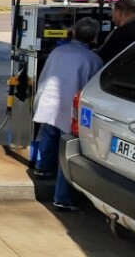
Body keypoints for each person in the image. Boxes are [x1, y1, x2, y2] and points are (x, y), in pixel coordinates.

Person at [32, 17, 103, 211]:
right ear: (95, 37)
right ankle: (62, 198)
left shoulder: (58, 51)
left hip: (50, 101)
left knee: (49, 133)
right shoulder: (93, 60)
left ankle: (42, 168)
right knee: (68, 149)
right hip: (70, 109)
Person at [95, 0, 135, 64]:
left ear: (118, 12)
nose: (112, 19)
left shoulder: (118, 34)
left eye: (113, 13)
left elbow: (100, 56)